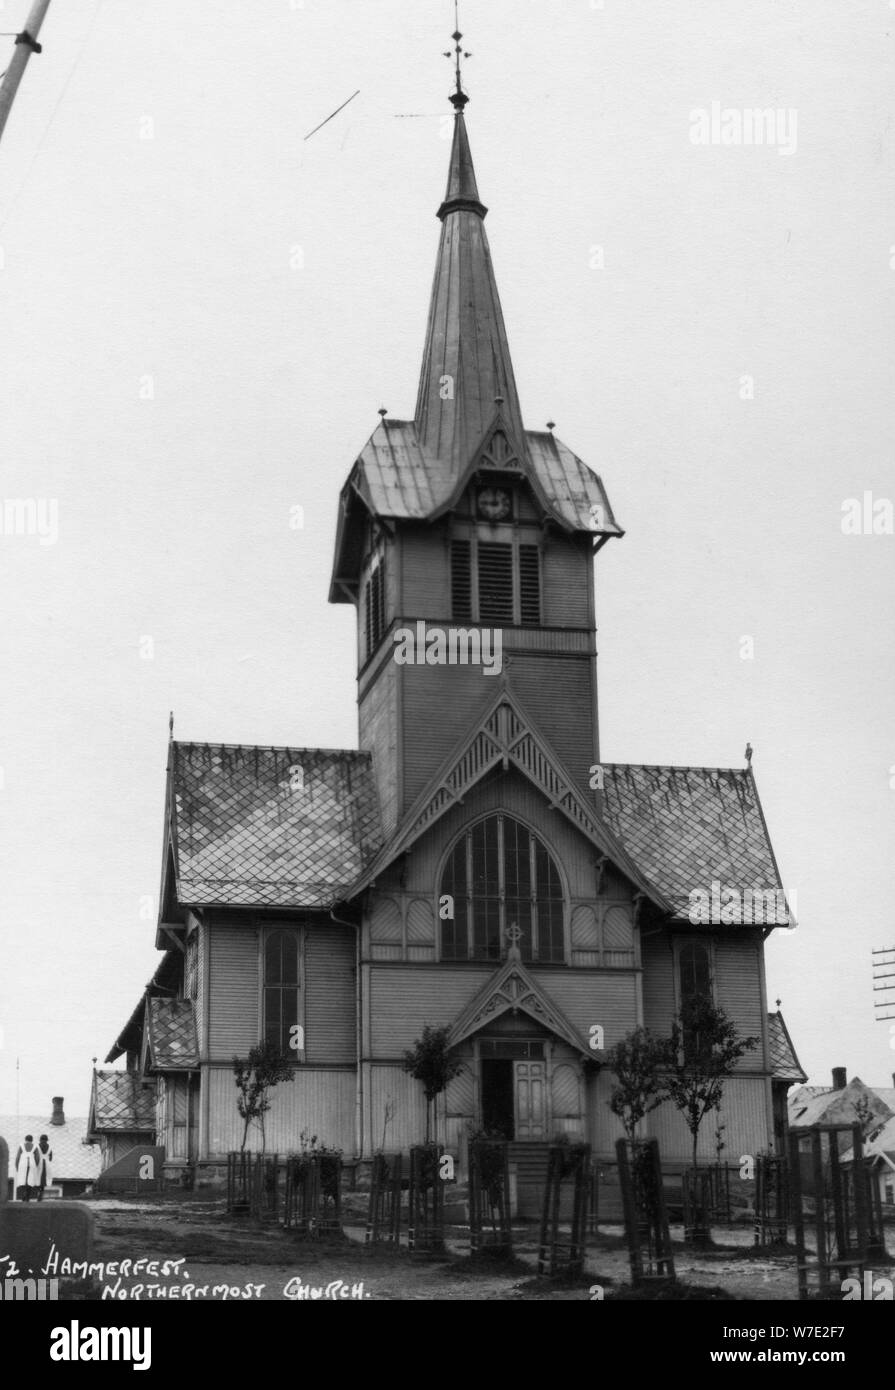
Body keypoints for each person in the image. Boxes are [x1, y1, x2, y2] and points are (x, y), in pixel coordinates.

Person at [14, 1134, 40, 1201]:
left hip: (22, 1164)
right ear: (32, 1140)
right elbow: (37, 1157)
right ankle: (27, 1197)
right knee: (30, 1180)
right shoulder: (35, 1146)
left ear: (25, 1139)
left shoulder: (21, 1146)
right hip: (31, 1164)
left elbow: (18, 1157)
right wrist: (35, 1165)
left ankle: (23, 1194)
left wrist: (17, 1166)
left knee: (22, 1179)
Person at [37, 1134, 54, 1201]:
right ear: (47, 1140)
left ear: (40, 1139)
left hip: (39, 1163)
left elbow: (36, 1155)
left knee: (38, 1178)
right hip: (47, 1164)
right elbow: (51, 1158)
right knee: (44, 1179)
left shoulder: (38, 1146)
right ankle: (41, 1193)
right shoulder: (49, 1147)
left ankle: (38, 1193)